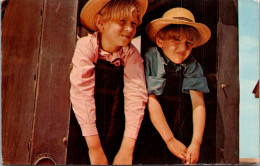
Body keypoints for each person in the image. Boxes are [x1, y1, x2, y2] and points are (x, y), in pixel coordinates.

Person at [69, 0, 148, 165]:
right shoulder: (85, 46)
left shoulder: (131, 55)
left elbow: (136, 95)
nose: (129, 28)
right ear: (100, 22)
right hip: (83, 127)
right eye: (122, 21)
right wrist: (95, 149)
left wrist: (127, 148)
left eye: (133, 23)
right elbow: (82, 93)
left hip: (115, 124)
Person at [141, 7, 211, 164]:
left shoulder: (192, 64)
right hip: (151, 121)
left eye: (188, 43)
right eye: (176, 40)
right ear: (160, 41)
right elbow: (151, 100)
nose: (183, 48)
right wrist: (170, 140)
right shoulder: (152, 58)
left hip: (177, 121)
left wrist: (196, 142)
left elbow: (198, 103)